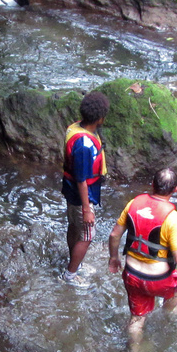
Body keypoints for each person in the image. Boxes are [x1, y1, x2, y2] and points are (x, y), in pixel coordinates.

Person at [107, 167, 177, 342]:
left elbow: (114, 235)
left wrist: (114, 258)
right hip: (158, 280)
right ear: (176, 189)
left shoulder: (133, 204)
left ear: (152, 185)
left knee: (136, 319)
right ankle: (169, 312)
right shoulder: (173, 218)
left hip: (132, 275)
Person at [62, 90, 109, 275]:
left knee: (74, 226)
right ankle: (71, 273)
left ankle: (73, 261)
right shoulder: (84, 144)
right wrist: (87, 209)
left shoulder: (76, 128)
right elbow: (82, 179)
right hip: (81, 195)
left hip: (70, 190)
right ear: (100, 118)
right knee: (88, 235)